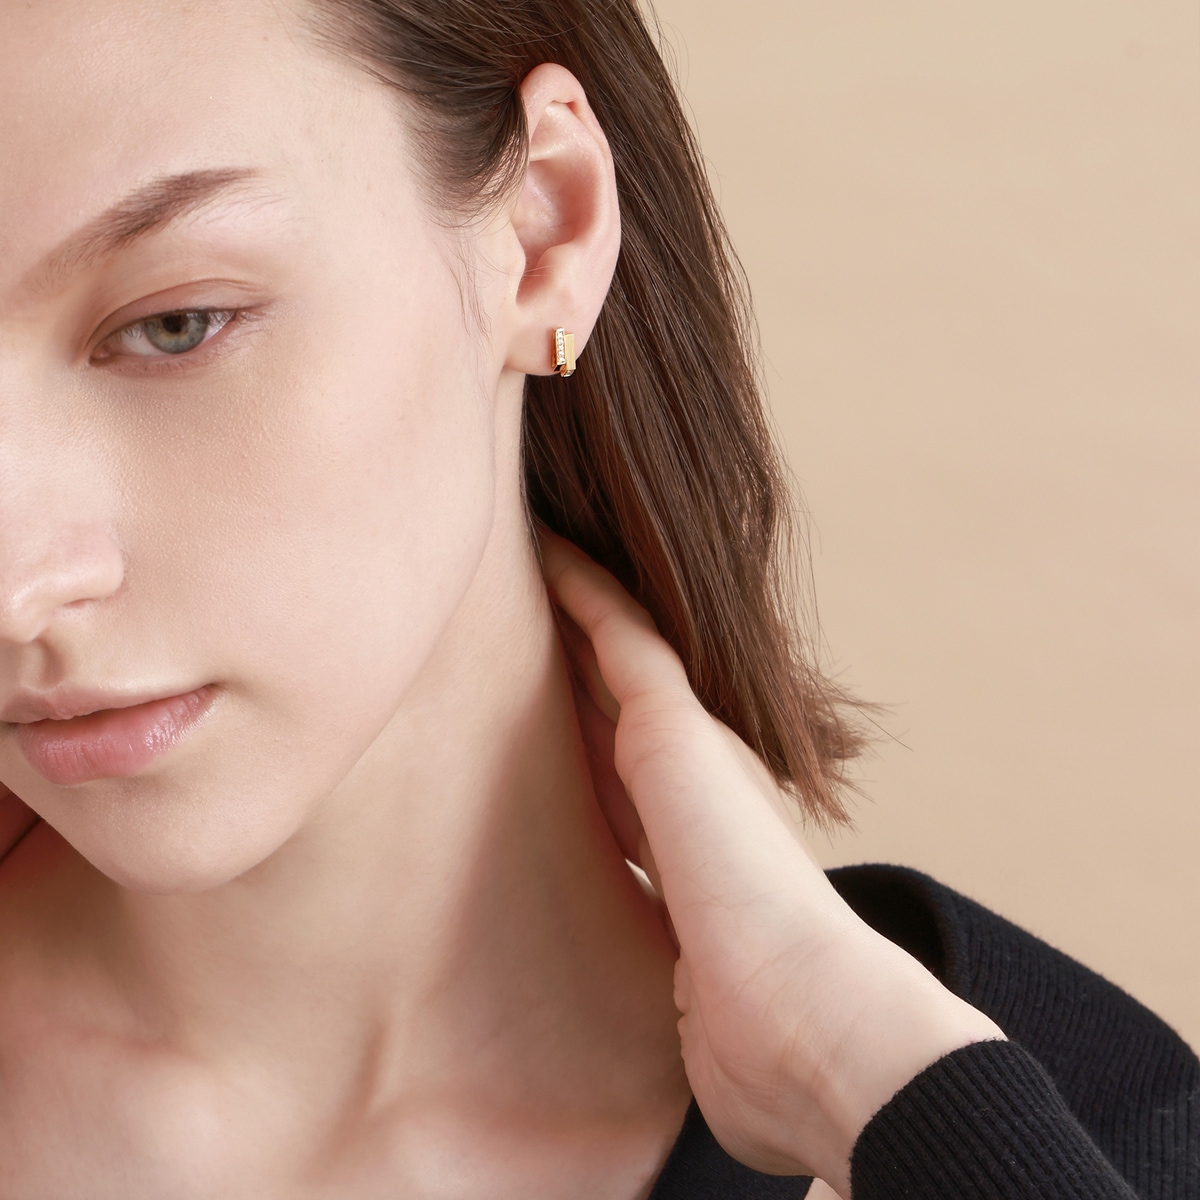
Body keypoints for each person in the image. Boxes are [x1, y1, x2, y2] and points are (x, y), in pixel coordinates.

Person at [0, 1, 1194, 1197]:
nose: (16, 591)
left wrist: (858, 1071)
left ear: (542, 230)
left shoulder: (1077, 1130)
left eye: (176, 324)